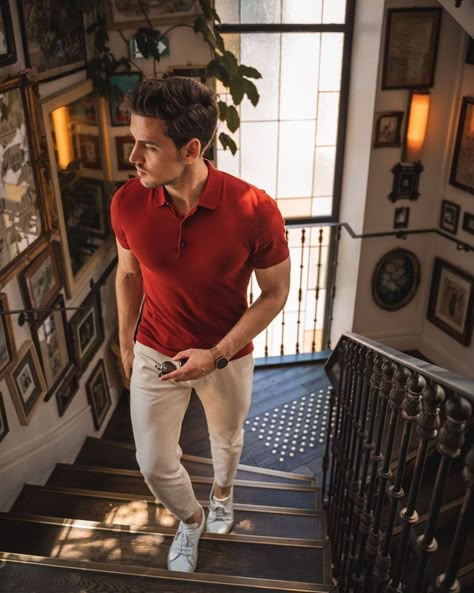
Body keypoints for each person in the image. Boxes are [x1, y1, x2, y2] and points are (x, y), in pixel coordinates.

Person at [110, 76, 290, 574]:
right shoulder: (127, 202)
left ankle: (223, 495)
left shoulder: (255, 210)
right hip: (155, 349)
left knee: (226, 442)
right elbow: (128, 274)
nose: (134, 159)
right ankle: (190, 519)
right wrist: (125, 344)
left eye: (148, 146)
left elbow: (275, 293)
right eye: (134, 143)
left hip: (226, 354)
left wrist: (216, 354)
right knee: (152, 463)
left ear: (191, 148)